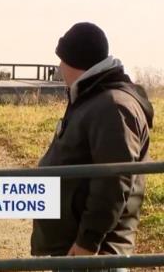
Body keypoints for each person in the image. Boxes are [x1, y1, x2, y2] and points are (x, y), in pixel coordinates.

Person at [31, 22, 154, 271]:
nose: (59, 68)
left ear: (74, 61)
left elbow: (113, 180)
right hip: (80, 252)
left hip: (97, 257)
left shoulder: (112, 106)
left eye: (61, 60)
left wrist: (88, 242)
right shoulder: (94, 98)